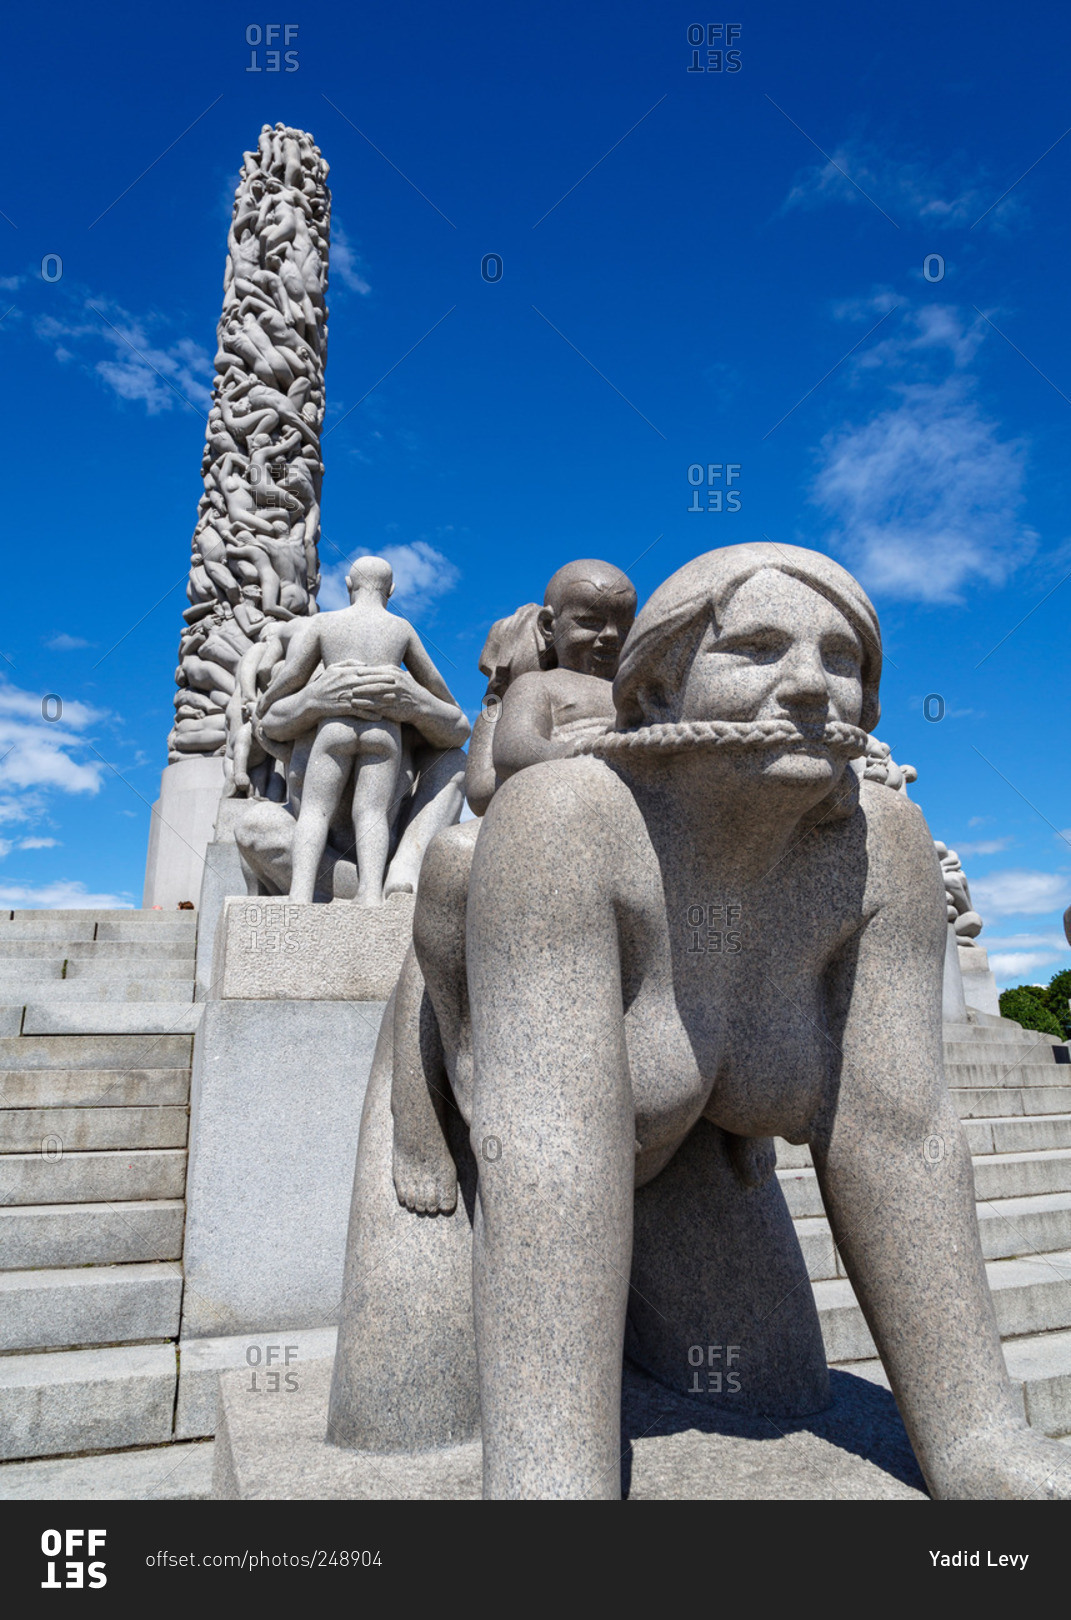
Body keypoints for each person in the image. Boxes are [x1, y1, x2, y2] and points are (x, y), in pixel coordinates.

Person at [333, 541, 1071, 1501]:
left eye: (842, 660)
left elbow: (897, 1136)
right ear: (655, 695)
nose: (810, 684)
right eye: (757, 649)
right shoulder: (568, 821)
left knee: (772, 1388)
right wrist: (556, 1481)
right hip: (480, 1146)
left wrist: (973, 1439)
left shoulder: (881, 847)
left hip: (682, 1148)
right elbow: (551, 1148)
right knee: (412, 1414)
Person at [391, 559, 637, 1211]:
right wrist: (591, 752)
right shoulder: (538, 689)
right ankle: (458, 1047)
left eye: (621, 623)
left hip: (627, 848)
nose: (608, 636)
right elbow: (490, 780)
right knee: (448, 858)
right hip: (529, 841)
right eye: (590, 622)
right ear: (552, 629)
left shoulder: (645, 698)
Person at [256, 556, 458, 905]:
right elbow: (440, 687)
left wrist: (417, 703)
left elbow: (288, 678)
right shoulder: (402, 628)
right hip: (384, 732)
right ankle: (370, 893)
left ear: (347, 587)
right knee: (372, 813)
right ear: (391, 590)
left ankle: (301, 893)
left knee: (314, 811)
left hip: (334, 731)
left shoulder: (324, 623)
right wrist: (313, 699)